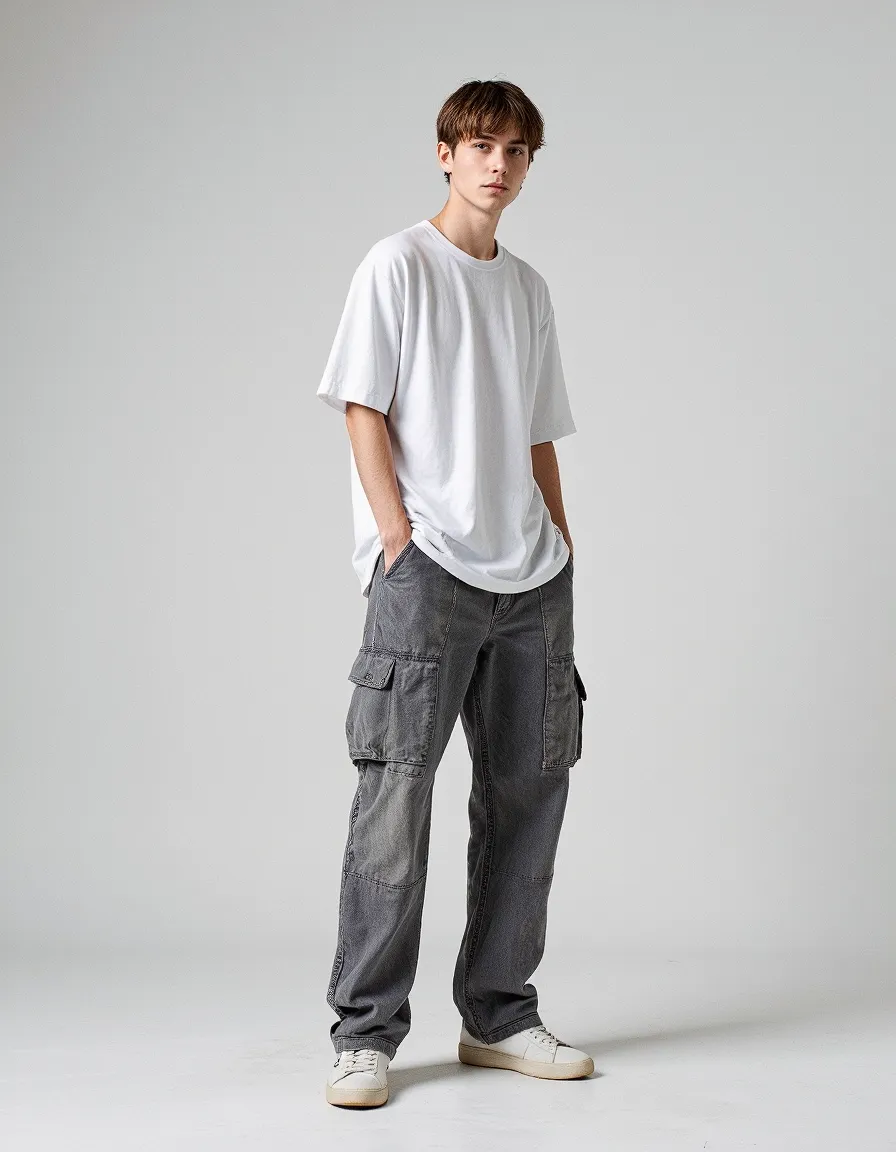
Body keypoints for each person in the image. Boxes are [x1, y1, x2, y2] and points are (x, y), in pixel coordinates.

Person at [316, 79, 592, 1108]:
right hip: (425, 571)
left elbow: (534, 433)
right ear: (443, 152)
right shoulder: (397, 265)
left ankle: (499, 1015)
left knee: (528, 794)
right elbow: (360, 403)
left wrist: (561, 545)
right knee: (394, 796)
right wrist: (394, 534)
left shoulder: (526, 288)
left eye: (517, 151)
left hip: (530, 578)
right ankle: (364, 1034)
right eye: (480, 145)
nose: (497, 165)